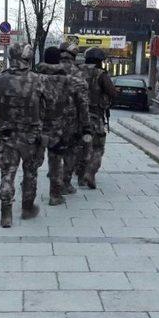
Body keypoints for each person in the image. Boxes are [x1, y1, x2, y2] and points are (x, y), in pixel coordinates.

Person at [0, 43, 45, 228]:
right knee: (30, 173)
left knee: (7, 173)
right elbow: (46, 107)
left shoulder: (1, 80)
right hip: (31, 137)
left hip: (8, 135)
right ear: (27, 58)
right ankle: (27, 208)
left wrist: (6, 120)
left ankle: (6, 213)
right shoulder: (37, 80)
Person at [36, 47, 90, 206]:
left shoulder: (33, 79)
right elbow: (83, 104)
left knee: (32, 161)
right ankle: (55, 194)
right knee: (56, 161)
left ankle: (27, 191)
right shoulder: (71, 80)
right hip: (62, 128)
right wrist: (85, 126)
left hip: (37, 127)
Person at [76, 48, 117, 189]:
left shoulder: (77, 71)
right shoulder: (101, 74)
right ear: (99, 60)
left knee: (80, 145)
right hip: (95, 117)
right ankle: (90, 172)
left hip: (76, 117)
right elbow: (112, 92)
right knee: (97, 147)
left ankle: (80, 175)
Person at [59, 42, 90, 193]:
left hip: (49, 121)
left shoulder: (50, 69)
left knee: (51, 153)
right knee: (71, 152)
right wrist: (86, 126)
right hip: (71, 122)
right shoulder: (77, 73)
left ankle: (30, 183)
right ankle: (65, 183)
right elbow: (83, 103)